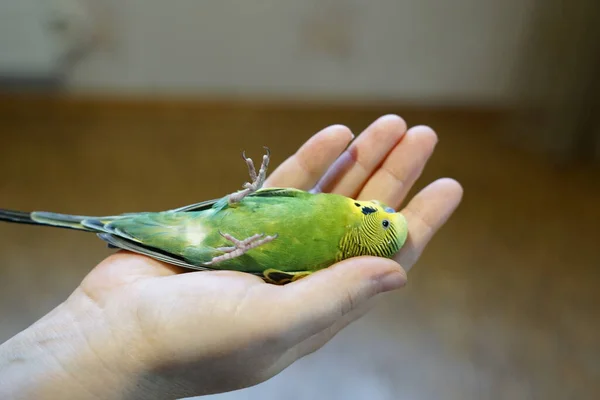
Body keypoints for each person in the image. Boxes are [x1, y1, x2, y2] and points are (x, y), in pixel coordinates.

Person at [0, 115, 463, 399]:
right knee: (109, 221)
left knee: (106, 223)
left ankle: (105, 225)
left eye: (383, 220)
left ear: (371, 235)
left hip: (209, 245)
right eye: (385, 210)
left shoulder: (325, 258)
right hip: (219, 218)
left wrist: (234, 251)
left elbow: (272, 271)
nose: (381, 210)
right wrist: (246, 197)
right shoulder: (330, 207)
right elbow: (250, 203)